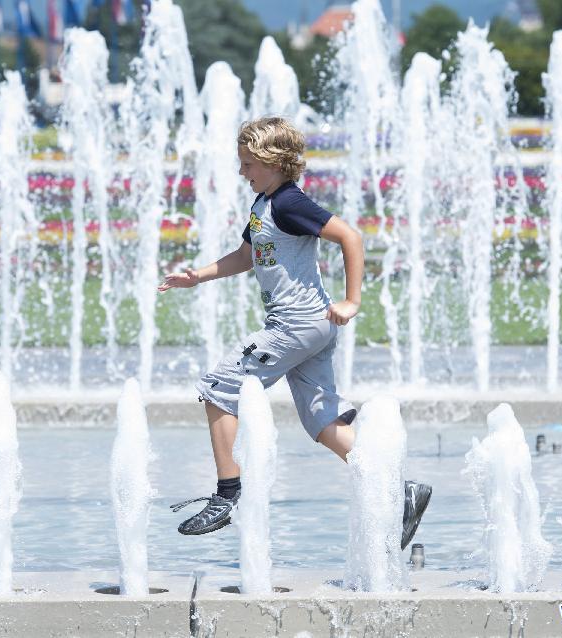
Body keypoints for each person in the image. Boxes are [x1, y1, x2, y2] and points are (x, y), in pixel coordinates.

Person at [158, 117, 431, 550]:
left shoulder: (289, 202)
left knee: (217, 389)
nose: (242, 172)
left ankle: (227, 494)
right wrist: (197, 277)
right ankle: (400, 492)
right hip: (309, 328)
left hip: (297, 325)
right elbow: (246, 256)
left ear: (273, 162)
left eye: (248, 164)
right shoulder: (264, 204)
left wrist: (352, 300)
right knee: (322, 420)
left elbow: (350, 237)